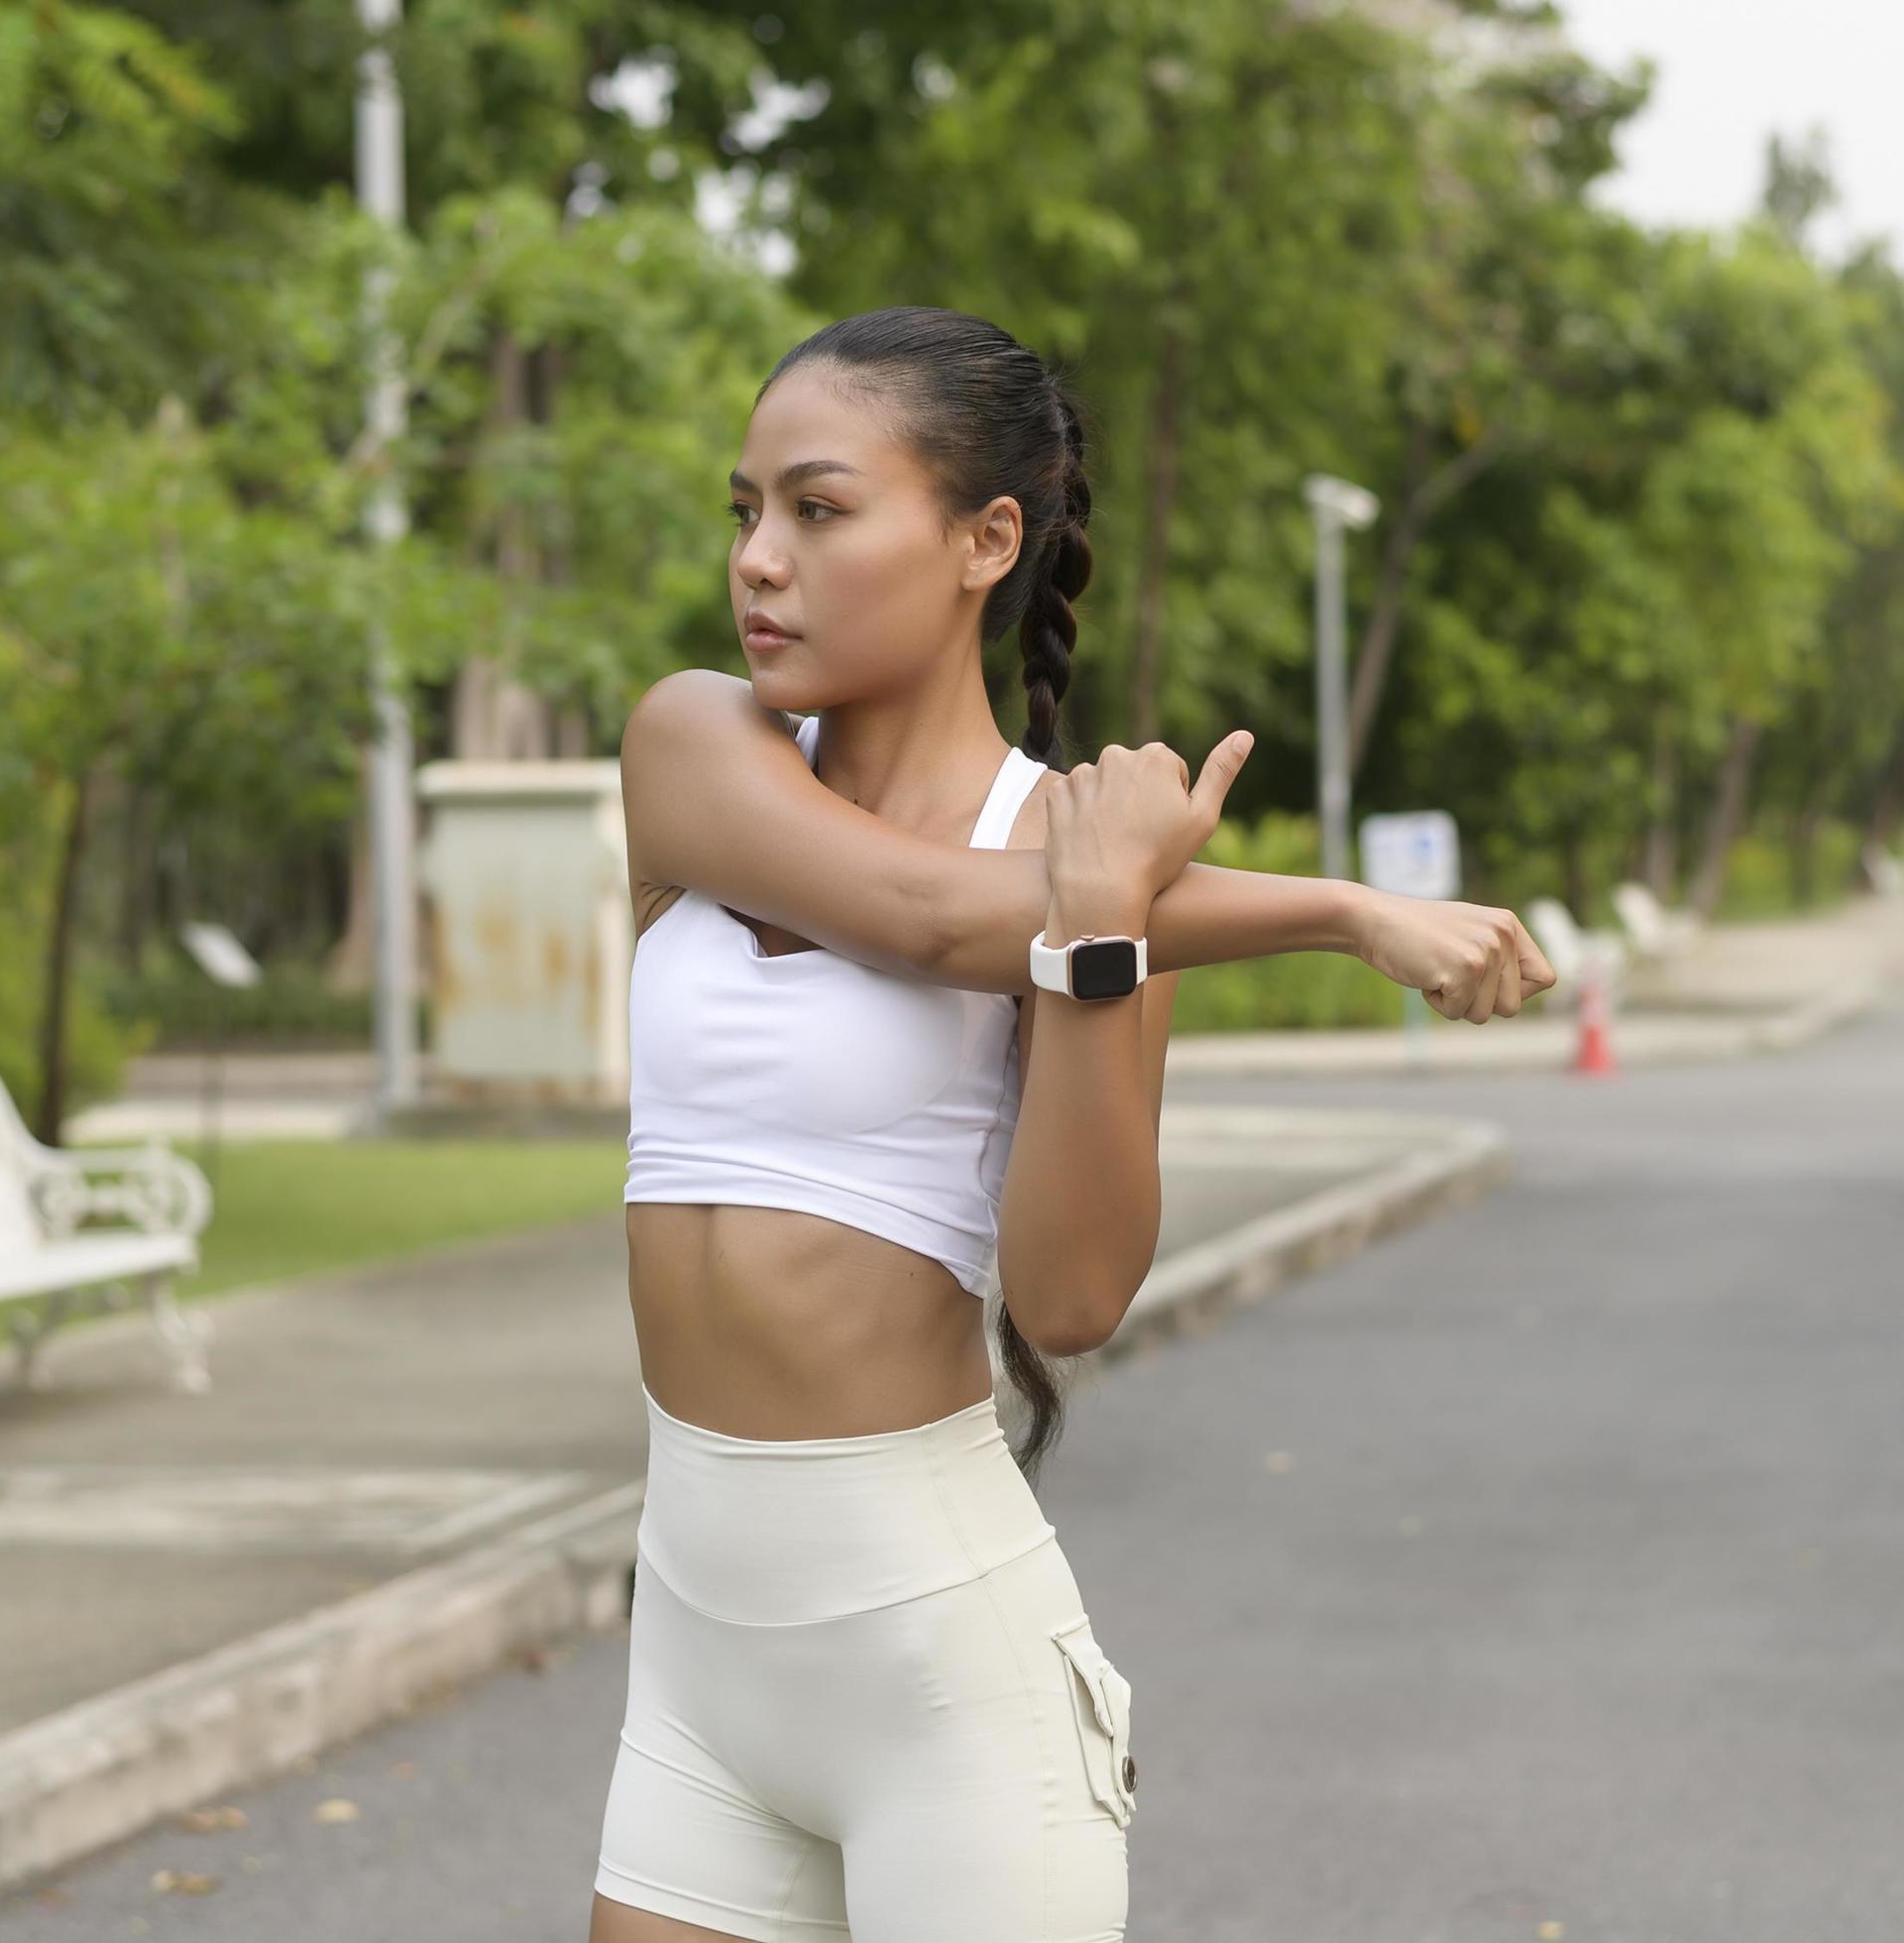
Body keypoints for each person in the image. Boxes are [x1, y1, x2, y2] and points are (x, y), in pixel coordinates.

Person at [600, 306, 1557, 1943]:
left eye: (818, 511)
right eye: (744, 510)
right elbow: (915, 911)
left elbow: (1067, 1300)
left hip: (935, 1674)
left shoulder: (1095, 880)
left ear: (984, 542)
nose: (760, 558)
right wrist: (1336, 908)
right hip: (693, 1646)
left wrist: (1106, 940)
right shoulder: (695, 744)